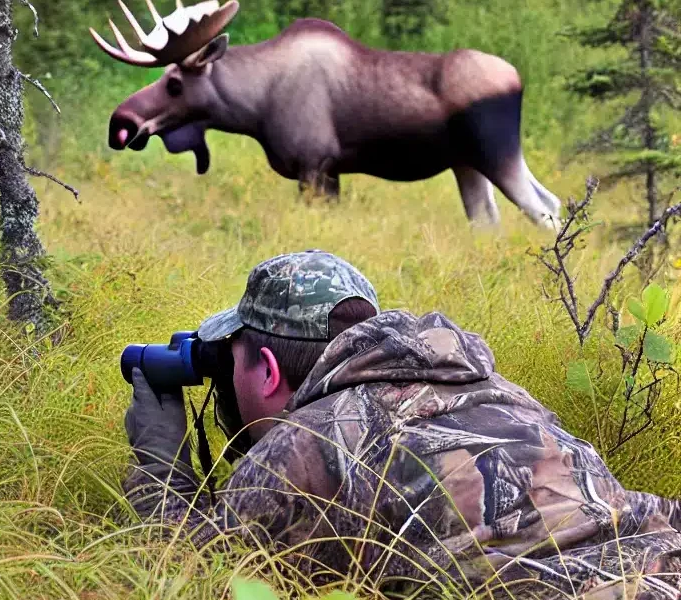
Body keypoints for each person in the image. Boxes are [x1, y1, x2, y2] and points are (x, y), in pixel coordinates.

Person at [121, 249, 681, 600]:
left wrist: (160, 463)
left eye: (233, 363)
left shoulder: (309, 443)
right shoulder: (501, 391)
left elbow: (184, 573)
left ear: (267, 371)